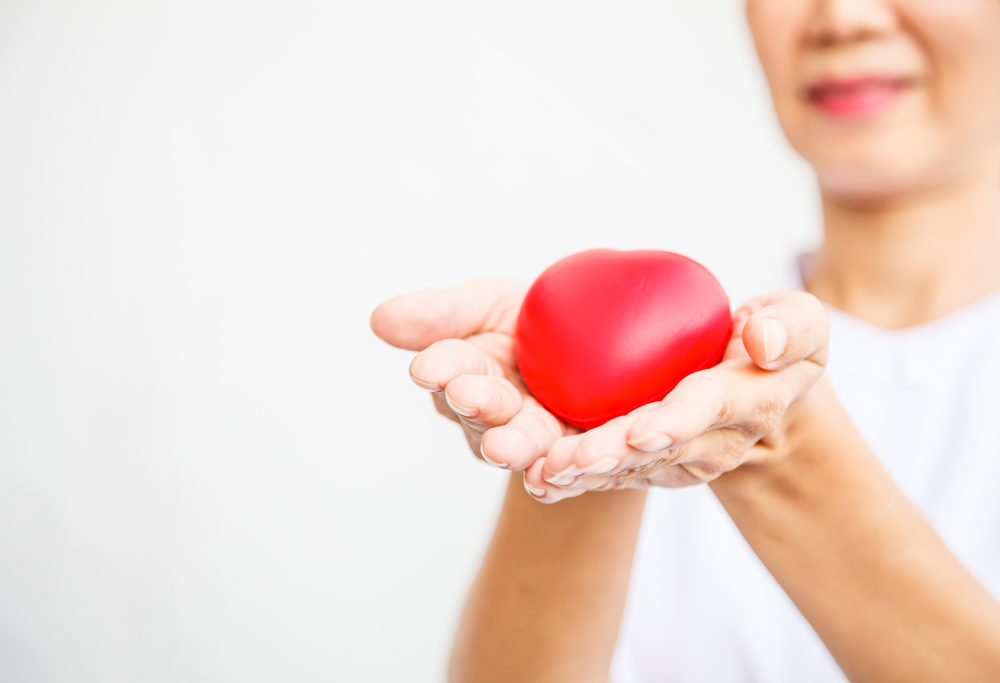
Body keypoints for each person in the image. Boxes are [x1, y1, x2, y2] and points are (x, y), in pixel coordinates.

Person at [371, 1, 1000, 680]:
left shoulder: (719, 381)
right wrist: (570, 445)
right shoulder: (683, 378)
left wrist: (778, 454)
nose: (844, 18)